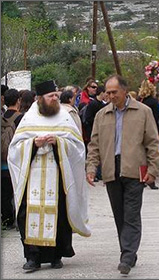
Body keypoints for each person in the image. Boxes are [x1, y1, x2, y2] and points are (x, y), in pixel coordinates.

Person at [7, 80, 91, 271]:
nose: (55, 99)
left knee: (59, 215)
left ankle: (56, 255)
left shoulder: (64, 117)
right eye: (51, 96)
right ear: (39, 99)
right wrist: (33, 144)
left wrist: (59, 143)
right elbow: (14, 150)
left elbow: (78, 148)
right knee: (28, 215)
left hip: (59, 176)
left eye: (56, 95)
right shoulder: (28, 119)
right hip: (32, 178)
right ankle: (33, 258)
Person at [86, 75, 159, 276]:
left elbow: (152, 142)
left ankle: (127, 256)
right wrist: (91, 168)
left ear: (124, 91)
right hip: (111, 169)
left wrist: (153, 169)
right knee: (119, 214)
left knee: (131, 214)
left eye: (114, 92)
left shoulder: (143, 112)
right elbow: (94, 145)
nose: (110, 96)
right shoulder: (102, 115)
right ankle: (129, 251)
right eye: (108, 93)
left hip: (135, 169)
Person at [1, 89, 23, 229]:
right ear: (18, 101)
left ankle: (6, 220)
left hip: (2, 164)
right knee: (17, 193)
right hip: (15, 163)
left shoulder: (2, 116)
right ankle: (17, 220)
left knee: (4, 195)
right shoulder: (21, 118)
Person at [138, 79, 159, 189]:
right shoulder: (153, 101)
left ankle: (142, 178)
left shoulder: (139, 100)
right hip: (150, 129)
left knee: (142, 154)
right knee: (152, 153)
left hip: (139, 129)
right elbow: (157, 117)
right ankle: (151, 179)